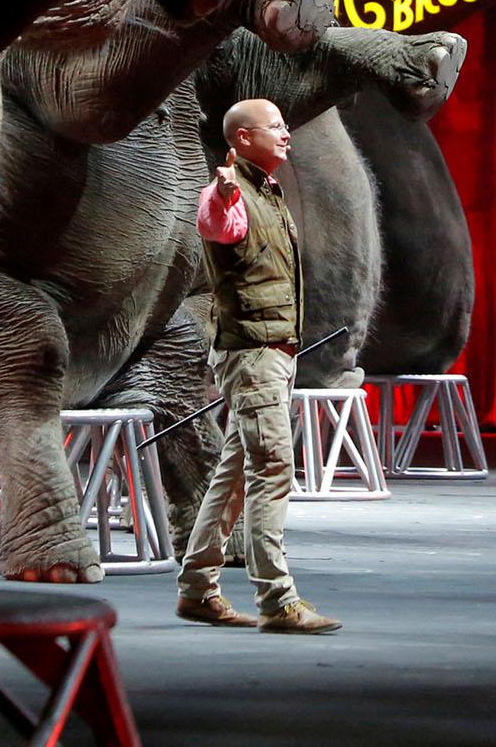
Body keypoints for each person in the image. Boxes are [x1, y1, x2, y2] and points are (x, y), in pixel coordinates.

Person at [174, 98, 341, 634]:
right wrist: (223, 195)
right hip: (253, 355)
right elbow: (215, 223)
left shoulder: (269, 193)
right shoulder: (228, 194)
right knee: (271, 469)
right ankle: (278, 599)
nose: (286, 134)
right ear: (243, 139)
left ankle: (197, 589)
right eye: (274, 127)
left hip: (272, 353)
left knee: (237, 472)